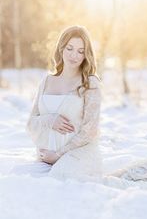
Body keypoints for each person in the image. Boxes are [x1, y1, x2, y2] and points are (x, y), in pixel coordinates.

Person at [13, 25, 103, 181]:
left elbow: (90, 130)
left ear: (85, 55)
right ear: (61, 48)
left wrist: (59, 154)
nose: (74, 55)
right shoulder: (47, 81)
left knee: (61, 179)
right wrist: (49, 120)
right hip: (46, 156)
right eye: (70, 48)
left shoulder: (90, 83)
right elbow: (31, 123)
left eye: (80, 51)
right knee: (19, 177)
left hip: (78, 155)